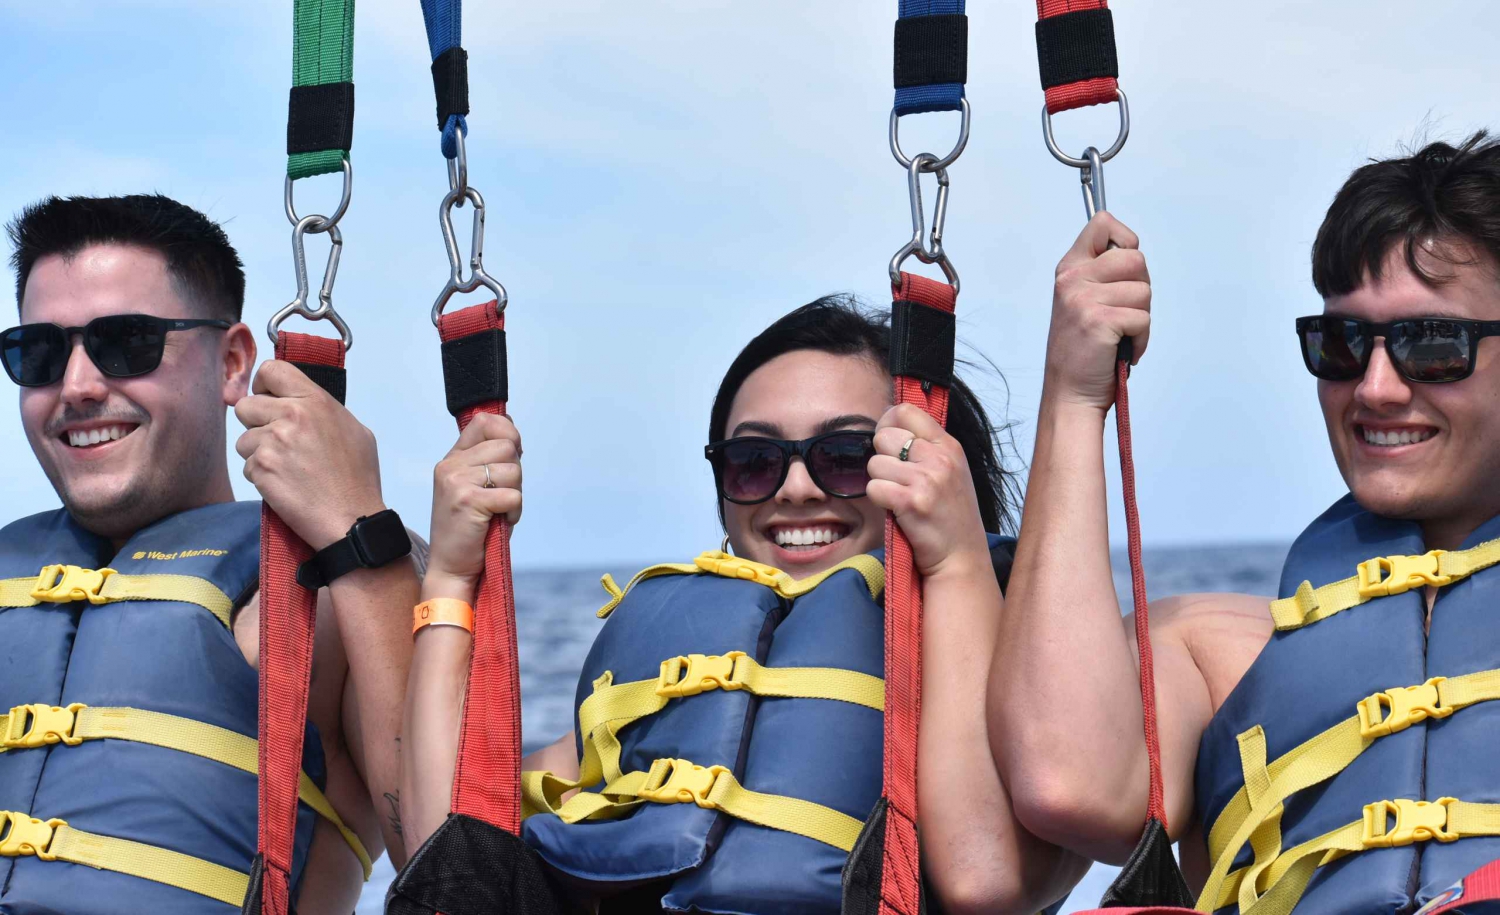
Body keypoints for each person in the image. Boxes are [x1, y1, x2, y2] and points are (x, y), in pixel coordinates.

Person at [400, 296, 1086, 914]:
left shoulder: (1031, 695)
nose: (793, 487)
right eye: (754, 460)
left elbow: (987, 878)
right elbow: (449, 864)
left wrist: (957, 559)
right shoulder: (662, 689)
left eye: (846, 453)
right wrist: (454, 582)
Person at [991, 132, 1500, 914]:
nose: (1376, 388)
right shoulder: (1217, 651)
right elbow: (1069, 782)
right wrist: (1073, 396)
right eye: (1341, 343)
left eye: (1431, 346)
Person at [0, 195, 418, 914]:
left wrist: (360, 534)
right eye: (38, 353)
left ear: (231, 363)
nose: (76, 386)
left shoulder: (337, 580)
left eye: (124, 342)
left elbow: (456, 861)